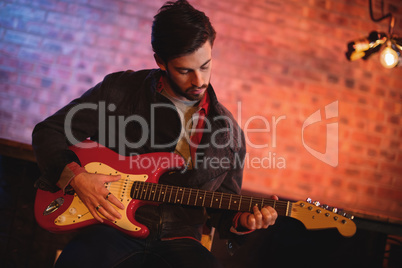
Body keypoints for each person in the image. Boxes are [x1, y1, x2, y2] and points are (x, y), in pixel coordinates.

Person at [32, 1, 278, 267]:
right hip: (110, 228)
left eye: (205, 66)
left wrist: (243, 221)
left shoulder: (229, 134)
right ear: (160, 61)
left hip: (180, 239)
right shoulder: (120, 90)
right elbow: (49, 132)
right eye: (185, 70)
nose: (199, 80)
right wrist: (78, 179)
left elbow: (222, 213)